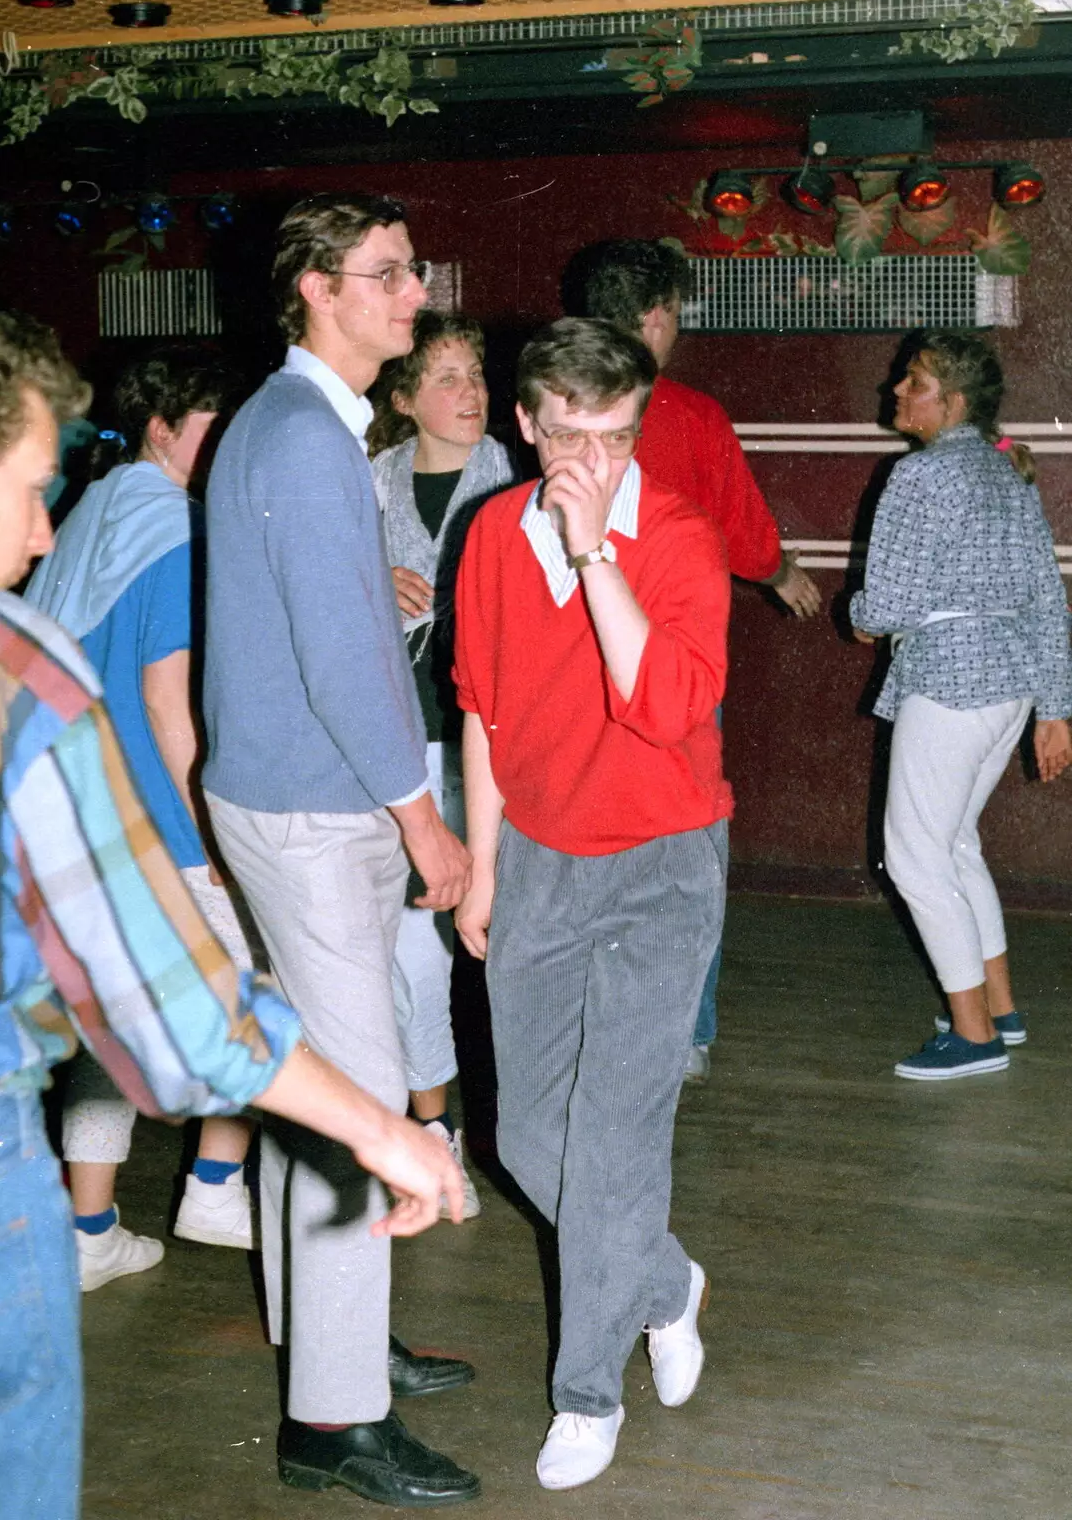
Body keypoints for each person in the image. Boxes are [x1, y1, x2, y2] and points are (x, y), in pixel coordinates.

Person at [0, 307, 465, 1520]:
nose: (46, 523)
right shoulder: (38, 667)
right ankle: (333, 1399)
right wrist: (382, 1129)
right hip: (195, 831)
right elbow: (182, 1006)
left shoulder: (169, 494)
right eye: (31, 485)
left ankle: (333, 1350)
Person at [202, 193, 480, 1506]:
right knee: (363, 1104)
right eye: (384, 276)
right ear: (315, 288)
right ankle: (332, 1419)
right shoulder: (307, 436)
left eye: (412, 273)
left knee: (317, 1081)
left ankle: (329, 1333)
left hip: (293, 798)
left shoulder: (292, 420)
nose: (411, 295)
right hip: (321, 812)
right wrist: (422, 818)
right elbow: (343, 659)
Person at [453, 317, 732, 1490]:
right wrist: (479, 863)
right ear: (525, 423)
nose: (592, 463)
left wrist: (593, 550)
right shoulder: (485, 536)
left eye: (615, 438)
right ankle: (664, 1282)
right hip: (538, 858)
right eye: (568, 436)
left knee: (612, 1141)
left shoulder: (672, 538)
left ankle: (585, 1392)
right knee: (523, 1135)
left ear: (638, 425)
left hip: (662, 865)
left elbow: (661, 704)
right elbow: (483, 709)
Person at [26, 346, 262, 1288]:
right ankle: (215, 1183)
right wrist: (210, 833)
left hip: (72, 811)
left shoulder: (92, 510)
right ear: (163, 431)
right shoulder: (176, 527)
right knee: (258, 997)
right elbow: (170, 704)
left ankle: (91, 1231)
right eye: (211, 428)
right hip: (156, 814)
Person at [563, 238, 821, 1082]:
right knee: (687, 842)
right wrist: (783, 574)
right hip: (669, 666)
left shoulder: (548, 406)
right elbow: (743, 533)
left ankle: (580, 1023)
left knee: (575, 839)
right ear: (654, 317)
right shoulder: (687, 413)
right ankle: (686, 1033)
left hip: (569, 664)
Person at [850, 330, 1072, 1080]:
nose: (896, 394)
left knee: (912, 859)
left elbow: (885, 604)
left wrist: (859, 612)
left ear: (953, 401)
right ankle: (999, 1011)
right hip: (1007, 687)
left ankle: (972, 1035)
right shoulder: (1007, 471)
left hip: (948, 682)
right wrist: (1054, 707)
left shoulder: (915, 477)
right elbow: (1047, 596)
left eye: (912, 383)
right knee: (952, 848)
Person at [368, 309, 515, 1219]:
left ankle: (512, 1121)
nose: (470, 394)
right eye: (448, 379)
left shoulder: (515, 477)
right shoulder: (373, 480)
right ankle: (432, 1123)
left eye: (476, 375)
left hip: (492, 744)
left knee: (495, 932)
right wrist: (367, 580)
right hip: (399, 738)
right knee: (411, 945)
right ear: (404, 398)